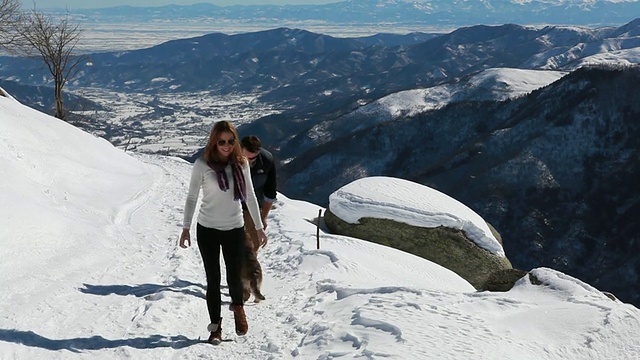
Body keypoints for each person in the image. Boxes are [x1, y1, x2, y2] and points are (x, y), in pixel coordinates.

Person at [179, 121, 268, 345]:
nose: (226, 146)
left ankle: (238, 308)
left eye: (230, 141)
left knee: (234, 276)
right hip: (207, 228)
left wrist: (259, 227)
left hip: (234, 228)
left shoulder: (241, 163)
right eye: (221, 142)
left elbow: (249, 196)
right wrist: (186, 227)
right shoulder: (202, 164)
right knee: (213, 280)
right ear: (214, 142)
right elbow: (192, 197)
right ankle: (215, 328)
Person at [239, 135, 277, 302]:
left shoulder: (267, 160)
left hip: (254, 206)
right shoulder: (230, 160)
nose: (249, 161)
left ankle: (248, 279)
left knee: (252, 247)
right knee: (234, 246)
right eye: (246, 157)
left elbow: (270, 192)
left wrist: (262, 218)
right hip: (233, 206)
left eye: (253, 158)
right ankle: (238, 281)